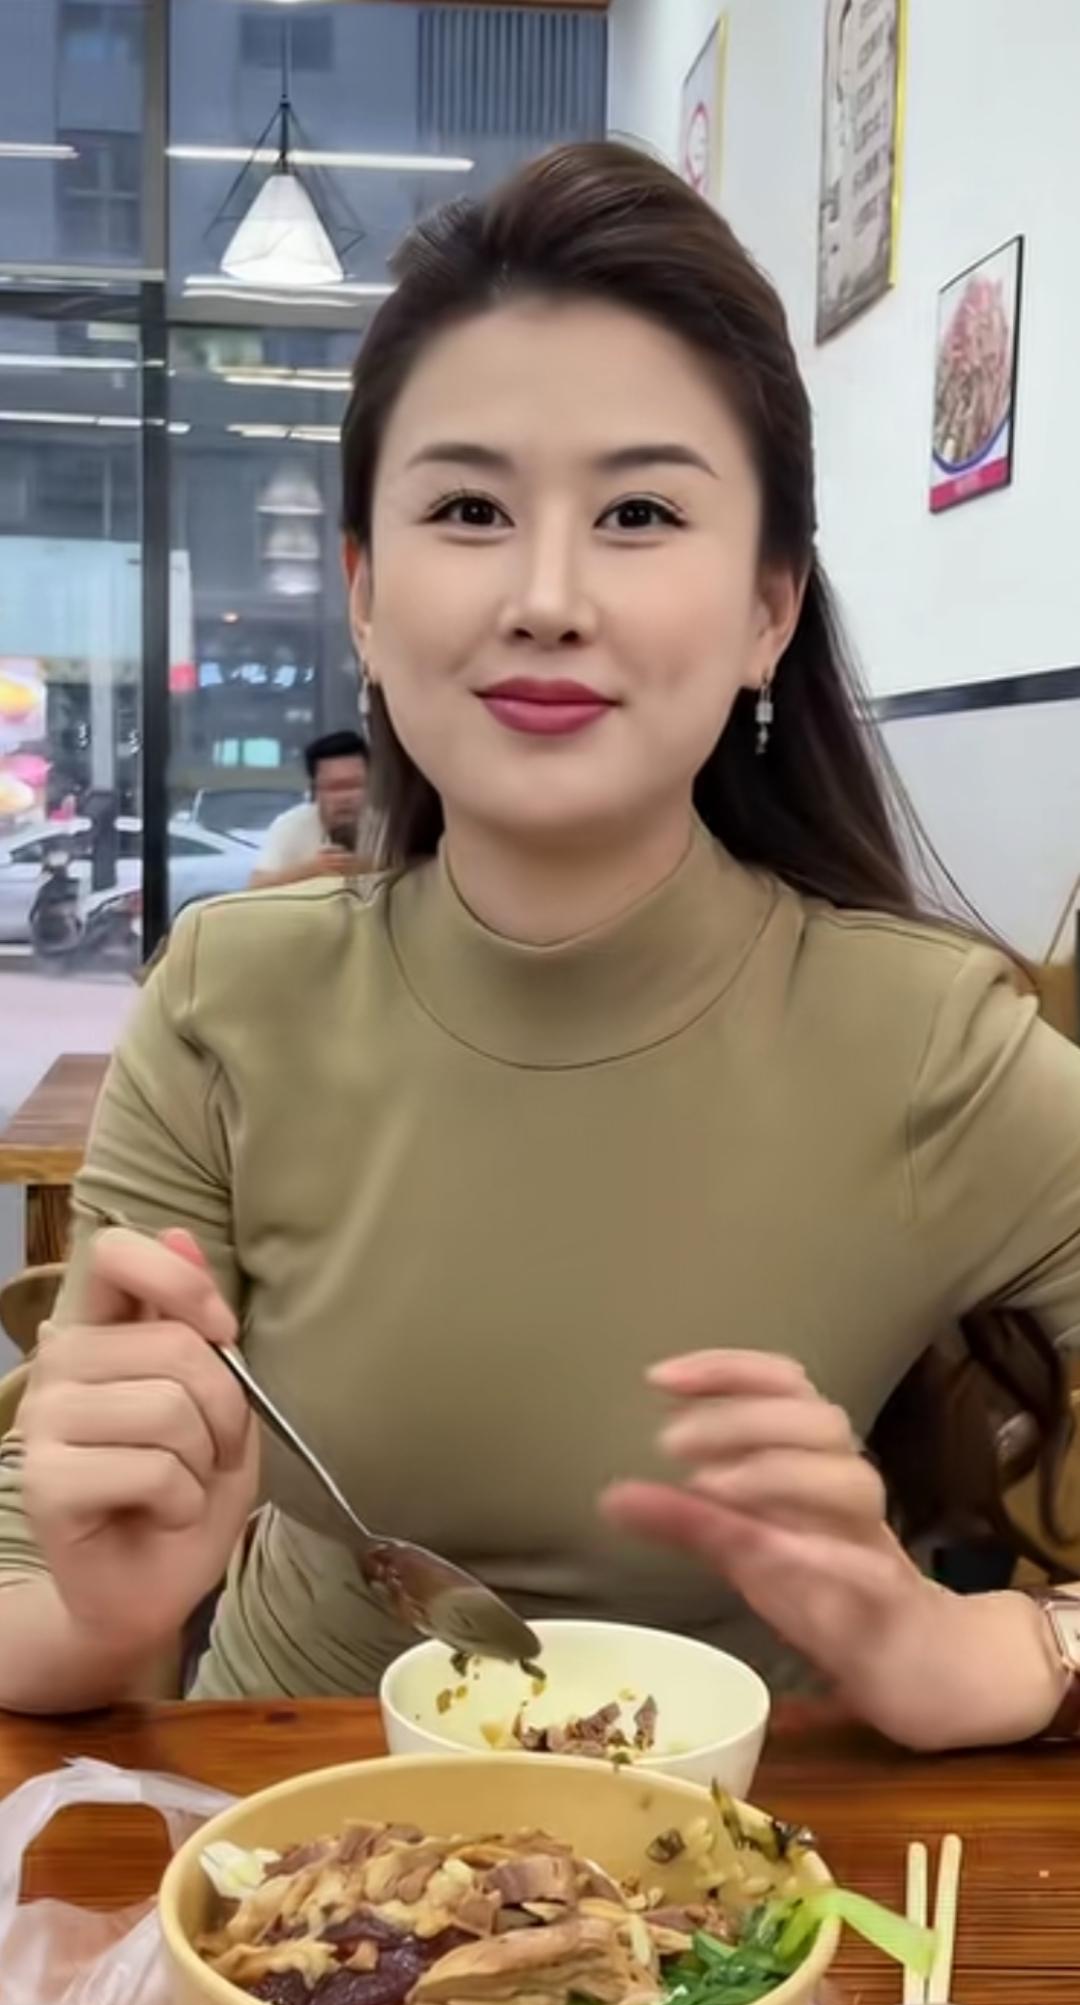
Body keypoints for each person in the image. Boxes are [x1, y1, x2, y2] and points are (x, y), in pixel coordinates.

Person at [2, 141, 1080, 1747]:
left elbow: (986, 1645)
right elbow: (31, 1584)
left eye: (640, 510)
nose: (548, 596)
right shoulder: (226, 996)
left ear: (769, 607)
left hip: (756, 1852)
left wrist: (991, 1649)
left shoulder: (933, 1043)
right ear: (366, 596)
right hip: (279, 1818)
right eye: (467, 509)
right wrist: (102, 1613)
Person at [250, 728, 374, 888]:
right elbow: (256, 885)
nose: (344, 798)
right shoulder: (291, 825)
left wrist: (368, 867)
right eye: (333, 788)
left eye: (354, 786)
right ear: (315, 792)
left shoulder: (391, 824)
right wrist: (311, 870)